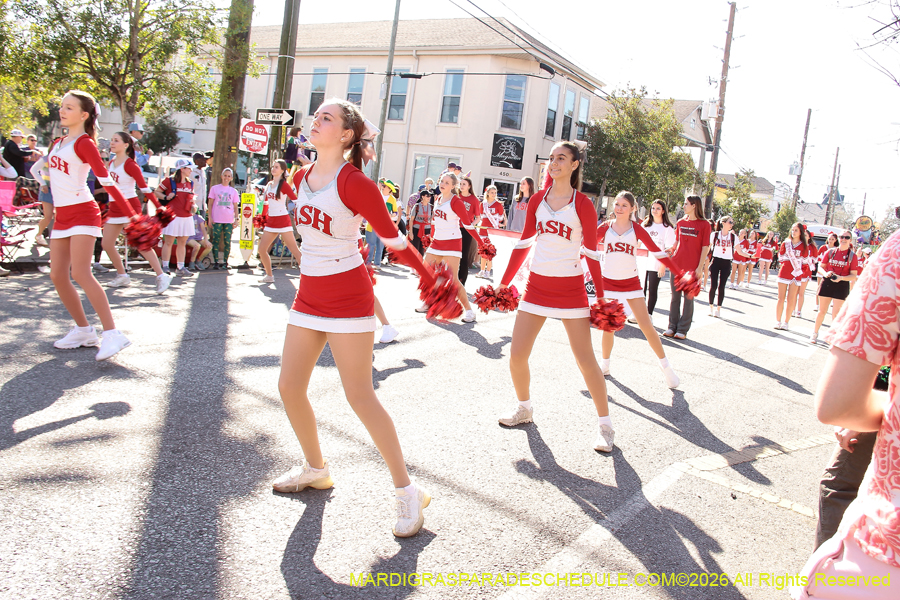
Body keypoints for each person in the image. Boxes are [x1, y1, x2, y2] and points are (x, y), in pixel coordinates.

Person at [273, 99, 440, 537]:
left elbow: (396, 241)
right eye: (317, 116)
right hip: (309, 295)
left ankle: (408, 492)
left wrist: (431, 281)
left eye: (326, 118)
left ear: (346, 135)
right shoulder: (300, 176)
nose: (316, 121)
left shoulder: (356, 184)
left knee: (360, 396)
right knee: (289, 386)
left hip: (348, 296)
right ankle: (316, 468)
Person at [791, 229, 900, 600]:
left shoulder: (894, 256)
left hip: (883, 558)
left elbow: (840, 402)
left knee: (837, 486)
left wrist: (877, 405)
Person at [495, 142, 616, 452]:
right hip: (536, 287)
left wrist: (600, 299)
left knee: (586, 361)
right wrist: (504, 284)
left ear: (575, 165)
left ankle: (605, 426)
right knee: (517, 355)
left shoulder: (583, 205)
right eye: (551, 158)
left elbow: (591, 253)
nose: (554, 163)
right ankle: (525, 408)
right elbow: (523, 245)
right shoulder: (537, 199)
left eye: (561, 158)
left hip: (570, 289)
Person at [40, 90, 132, 360]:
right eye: (62, 106)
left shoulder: (84, 143)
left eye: (70, 107)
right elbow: (49, 178)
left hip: (83, 212)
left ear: (84, 115)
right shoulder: (56, 143)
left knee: (80, 272)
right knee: (57, 274)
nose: (63, 111)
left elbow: (105, 180)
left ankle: (112, 334)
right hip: (63, 215)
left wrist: (130, 214)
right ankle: (83, 330)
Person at [597, 191, 681, 388]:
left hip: (631, 284)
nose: (619, 208)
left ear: (633, 208)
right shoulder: (605, 228)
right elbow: (586, 247)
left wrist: (679, 272)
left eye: (624, 205)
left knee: (646, 326)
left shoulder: (637, 229)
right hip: (608, 284)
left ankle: (666, 367)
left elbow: (658, 252)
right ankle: (605, 365)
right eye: (617, 204)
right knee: (609, 328)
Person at [102, 131, 172, 293]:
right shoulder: (112, 162)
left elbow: (145, 188)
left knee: (141, 244)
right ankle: (122, 275)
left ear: (126, 145)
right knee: (107, 243)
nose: (112, 143)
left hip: (130, 207)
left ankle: (162, 275)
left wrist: (158, 206)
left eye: (116, 140)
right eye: (112, 140)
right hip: (114, 207)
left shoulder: (130, 165)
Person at [416, 171, 486, 323]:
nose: (443, 184)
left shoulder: (456, 202)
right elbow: (435, 222)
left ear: (454, 186)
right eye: (442, 181)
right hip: (437, 242)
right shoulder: (438, 198)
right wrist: (431, 236)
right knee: (425, 271)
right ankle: (430, 302)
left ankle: (469, 311)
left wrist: (481, 243)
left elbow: (467, 224)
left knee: (453, 279)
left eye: (447, 183)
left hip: (452, 242)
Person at [665, 196, 710, 340]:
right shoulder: (680, 222)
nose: (684, 206)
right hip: (676, 264)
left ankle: (682, 329)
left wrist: (700, 267)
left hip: (692, 267)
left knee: (688, 298)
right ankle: (672, 327)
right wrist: (669, 251)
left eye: (686, 204)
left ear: (694, 206)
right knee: (675, 298)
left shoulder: (705, 225)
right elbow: (676, 242)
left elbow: (705, 247)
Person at [810, 231, 859, 344]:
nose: (844, 239)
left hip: (842, 284)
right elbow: (820, 267)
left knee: (836, 313)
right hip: (828, 282)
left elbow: (853, 275)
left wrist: (841, 278)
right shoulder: (830, 252)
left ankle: (832, 337)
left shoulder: (852, 256)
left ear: (850, 240)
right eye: (842, 237)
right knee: (822, 311)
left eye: (847, 237)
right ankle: (815, 333)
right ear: (838, 239)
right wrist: (826, 273)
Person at [258, 159, 302, 283]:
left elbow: (295, 200)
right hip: (271, 221)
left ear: (282, 170)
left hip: (283, 220)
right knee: (262, 249)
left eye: (276, 167)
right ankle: (269, 276)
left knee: (294, 250)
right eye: (273, 166)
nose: (273, 169)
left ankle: (307, 276)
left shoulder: (284, 185)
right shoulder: (269, 185)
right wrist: (261, 218)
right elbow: (266, 204)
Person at [155, 158, 197, 277]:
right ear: (182, 169)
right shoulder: (169, 181)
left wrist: (193, 204)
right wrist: (167, 196)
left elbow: (190, 197)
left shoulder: (190, 182)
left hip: (186, 216)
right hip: (173, 216)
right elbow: (157, 192)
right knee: (168, 242)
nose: (190, 171)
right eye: (189, 168)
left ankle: (180, 267)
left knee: (182, 242)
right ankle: (165, 266)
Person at [639, 199, 676, 316]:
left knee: (652, 290)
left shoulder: (668, 228)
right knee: (640, 289)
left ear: (663, 211)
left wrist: (663, 265)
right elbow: (638, 244)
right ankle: (639, 314)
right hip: (642, 261)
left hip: (657, 263)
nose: (655, 211)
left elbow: (669, 249)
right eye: (653, 208)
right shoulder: (645, 225)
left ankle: (649, 315)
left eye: (658, 208)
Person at [774, 222, 811, 331]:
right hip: (784, 272)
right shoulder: (786, 243)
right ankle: (778, 321)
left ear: (801, 232)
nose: (793, 232)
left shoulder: (804, 246)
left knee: (791, 299)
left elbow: (805, 263)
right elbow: (780, 257)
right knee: (780, 298)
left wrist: (798, 271)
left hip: (796, 274)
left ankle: (786, 322)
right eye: (792, 230)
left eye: (796, 230)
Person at [207, 167, 240, 271]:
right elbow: (210, 204)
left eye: (228, 176)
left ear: (231, 178)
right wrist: (210, 218)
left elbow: (235, 206)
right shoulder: (214, 188)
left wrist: (236, 218)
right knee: (215, 240)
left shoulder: (233, 191)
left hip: (228, 220)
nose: (226, 178)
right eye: (225, 175)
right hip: (217, 219)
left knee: (227, 241)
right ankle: (216, 261)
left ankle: (225, 262)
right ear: (221, 176)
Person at [707, 216, 738, 318]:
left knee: (722, 286)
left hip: (727, 262)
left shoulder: (733, 237)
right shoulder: (714, 235)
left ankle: (718, 308)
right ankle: (711, 306)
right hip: (716, 261)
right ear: (724, 223)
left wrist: (750, 255)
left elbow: (739, 250)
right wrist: (703, 260)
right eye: (730, 222)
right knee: (713, 285)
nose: (731, 224)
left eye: (732, 222)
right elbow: (707, 247)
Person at [477, 184, 506, 279]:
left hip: (493, 231)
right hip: (483, 230)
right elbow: (481, 217)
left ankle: (488, 272)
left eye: (495, 193)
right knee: (482, 252)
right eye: (492, 192)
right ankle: (481, 270)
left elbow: (501, 218)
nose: (494, 194)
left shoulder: (498, 205)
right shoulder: (482, 204)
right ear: (488, 193)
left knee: (490, 252)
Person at [457, 175, 481, 284]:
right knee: (453, 254)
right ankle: (452, 280)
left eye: (464, 184)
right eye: (460, 184)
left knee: (464, 256)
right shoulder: (456, 197)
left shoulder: (474, 199)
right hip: (454, 228)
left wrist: (470, 226)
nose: (461, 186)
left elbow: (478, 217)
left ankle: (462, 282)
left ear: (469, 186)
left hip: (466, 230)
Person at [29, 145, 54, 247]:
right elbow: (33, 170)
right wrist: (42, 183)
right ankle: (39, 235)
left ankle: (55, 237)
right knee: (48, 216)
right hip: (47, 190)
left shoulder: (64, 159)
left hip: (60, 190)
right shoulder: (46, 159)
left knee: (59, 216)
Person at [407, 187, 433, 255]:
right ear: (422, 197)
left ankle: (421, 263)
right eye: (427, 196)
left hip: (426, 230)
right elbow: (411, 220)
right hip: (417, 229)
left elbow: (432, 220)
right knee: (415, 248)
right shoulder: (417, 206)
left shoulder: (431, 207)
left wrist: (431, 233)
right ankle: (414, 263)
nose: (429, 197)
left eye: (430, 196)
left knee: (423, 248)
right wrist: (411, 232)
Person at [191, 152, 209, 217]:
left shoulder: (203, 172)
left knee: (202, 226)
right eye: (203, 159)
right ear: (196, 161)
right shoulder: (191, 173)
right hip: (193, 206)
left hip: (202, 206)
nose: (205, 161)